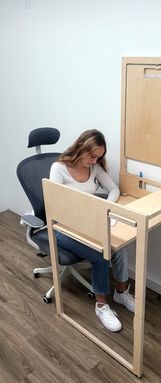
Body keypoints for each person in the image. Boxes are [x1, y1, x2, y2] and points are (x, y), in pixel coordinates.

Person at [50, 129, 135, 332]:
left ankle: (121, 293)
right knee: (100, 255)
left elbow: (114, 189)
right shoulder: (59, 168)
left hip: (90, 223)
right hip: (63, 228)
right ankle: (101, 305)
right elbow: (56, 204)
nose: (95, 160)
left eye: (99, 157)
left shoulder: (95, 168)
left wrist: (106, 209)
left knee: (120, 246)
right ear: (82, 147)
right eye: (92, 155)